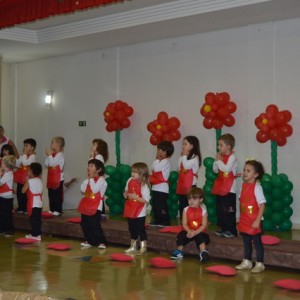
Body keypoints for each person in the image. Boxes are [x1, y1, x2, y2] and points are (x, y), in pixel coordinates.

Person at [236, 160, 266, 273]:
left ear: (256, 174)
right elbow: (242, 203)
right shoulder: (243, 186)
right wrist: (239, 219)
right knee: (246, 241)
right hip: (245, 220)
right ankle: (247, 261)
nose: (244, 172)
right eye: (244, 170)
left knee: (257, 242)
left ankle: (260, 263)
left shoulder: (257, 187)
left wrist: (257, 220)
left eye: (248, 171)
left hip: (254, 220)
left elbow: (262, 205)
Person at [171, 187, 210, 262]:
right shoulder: (185, 209)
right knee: (182, 234)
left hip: (199, 231)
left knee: (201, 236)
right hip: (189, 230)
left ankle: (203, 252)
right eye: (189, 199)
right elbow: (184, 223)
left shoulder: (203, 211)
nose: (191, 201)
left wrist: (195, 232)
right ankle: (179, 251)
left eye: (194, 199)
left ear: (200, 200)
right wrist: (189, 231)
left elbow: (203, 225)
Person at [212, 133, 238, 238]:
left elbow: (227, 169)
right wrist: (216, 161)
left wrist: (218, 161)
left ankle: (231, 230)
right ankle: (223, 229)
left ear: (228, 147)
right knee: (220, 209)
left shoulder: (233, 157)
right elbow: (215, 170)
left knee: (228, 209)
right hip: (220, 186)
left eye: (221, 145)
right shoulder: (221, 157)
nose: (219, 147)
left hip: (229, 188)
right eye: (218, 145)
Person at [77, 159, 107, 249]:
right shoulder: (90, 180)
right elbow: (82, 189)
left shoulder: (101, 180)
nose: (88, 168)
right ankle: (89, 240)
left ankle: (102, 241)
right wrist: (87, 179)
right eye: (88, 165)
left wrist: (91, 179)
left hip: (96, 205)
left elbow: (94, 190)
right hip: (87, 203)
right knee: (85, 223)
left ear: (98, 170)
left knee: (94, 224)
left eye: (91, 166)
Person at [123, 162, 151, 254]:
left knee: (140, 229)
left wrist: (135, 197)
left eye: (135, 172)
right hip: (130, 208)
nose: (132, 174)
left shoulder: (144, 185)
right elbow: (126, 191)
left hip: (139, 211)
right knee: (132, 228)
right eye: (132, 171)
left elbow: (146, 200)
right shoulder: (129, 180)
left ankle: (143, 246)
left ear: (142, 174)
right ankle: (133, 245)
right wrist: (126, 194)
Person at [176, 136, 201, 219]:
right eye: (183, 144)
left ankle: (191, 222)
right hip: (182, 184)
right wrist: (182, 156)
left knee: (189, 204)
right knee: (182, 204)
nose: (183, 146)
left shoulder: (195, 157)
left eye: (185, 144)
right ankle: (183, 222)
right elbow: (179, 167)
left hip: (191, 186)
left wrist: (184, 156)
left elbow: (186, 166)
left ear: (192, 146)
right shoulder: (184, 157)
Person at [150, 141, 174, 226]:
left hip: (162, 189)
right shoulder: (159, 161)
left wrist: (158, 160)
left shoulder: (166, 161)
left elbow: (156, 169)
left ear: (166, 152)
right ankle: (157, 220)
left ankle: (165, 220)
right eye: (158, 150)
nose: (159, 152)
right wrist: (157, 159)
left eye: (162, 150)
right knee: (155, 205)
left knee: (161, 206)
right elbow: (152, 167)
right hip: (155, 187)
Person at [14, 138, 37, 214]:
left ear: (32, 147)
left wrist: (23, 155)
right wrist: (17, 159)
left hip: (27, 178)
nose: (24, 147)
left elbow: (25, 163)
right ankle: (21, 207)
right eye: (24, 145)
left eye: (26, 146)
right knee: (19, 192)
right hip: (20, 177)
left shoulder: (33, 156)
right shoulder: (23, 156)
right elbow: (17, 164)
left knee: (26, 193)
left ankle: (26, 208)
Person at [22, 162, 43, 241]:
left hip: (33, 202)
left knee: (33, 219)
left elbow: (23, 190)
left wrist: (26, 181)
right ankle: (37, 233)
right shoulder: (39, 180)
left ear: (31, 171)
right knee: (37, 219)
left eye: (29, 170)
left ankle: (35, 235)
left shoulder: (29, 181)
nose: (27, 171)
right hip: (39, 202)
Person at [45, 136, 65, 216]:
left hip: (58, 178)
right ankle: (52, 208)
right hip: (51, 177)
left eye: (52, 142)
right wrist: (49, 156)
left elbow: (53, 163)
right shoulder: (52, 154)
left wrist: (50, 155)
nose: (51, 144)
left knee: (57, 194)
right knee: (51, 194)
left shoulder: (60, 155)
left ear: (58, 144)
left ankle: (58, 210)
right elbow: (47, 164)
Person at [89, 138, 109, 217]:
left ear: (99, 148)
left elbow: (94, 165)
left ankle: (101, 212)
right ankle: (97, 211)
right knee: (95, 195)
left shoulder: (99, 156)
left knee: (99, 195)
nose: (92, 146)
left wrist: (91, 156)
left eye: (94, 145)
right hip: (94, 179)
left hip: (98, 180)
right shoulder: (96, 156)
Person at [0, 155, 16, 236]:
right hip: (2, 196)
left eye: (2, 163)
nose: (1, 164)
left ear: (6, 165)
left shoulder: (9, 173)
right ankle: (2, 229)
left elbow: (1, 183)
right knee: (2, 214)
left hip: (7, 198)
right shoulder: (5, 173)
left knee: (7, 215)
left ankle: (9, 230)